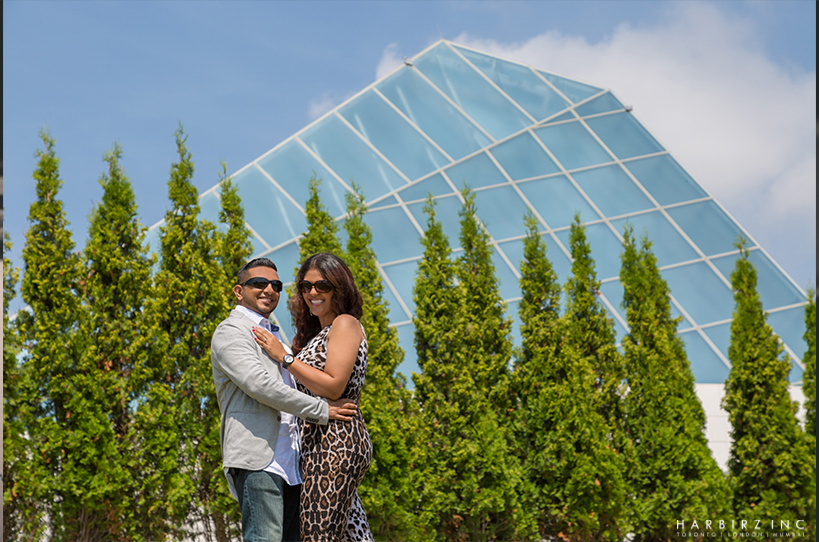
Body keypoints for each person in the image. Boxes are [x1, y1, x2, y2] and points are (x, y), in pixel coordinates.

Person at [211, 257, 357, 542]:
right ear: (239, 291)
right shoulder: (230, 331)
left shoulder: (274, 335)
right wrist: (322, 410)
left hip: (293, 461)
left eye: (276, 285)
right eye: (259, 283)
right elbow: (260, 385)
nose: (269, 289)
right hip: (259, 459)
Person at [252, 253, 373, 542]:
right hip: (316, 445)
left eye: (322, 286)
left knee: (318, 534)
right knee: (351, 533)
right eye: (306, 287)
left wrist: (285, 358)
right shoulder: (317, 334)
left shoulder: (345, 324)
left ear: (339, 289)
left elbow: (333, 386)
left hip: (336, 441)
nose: (312, 293)